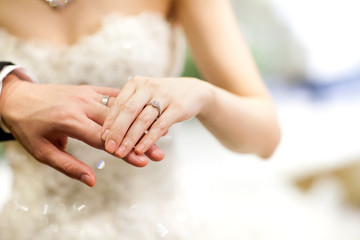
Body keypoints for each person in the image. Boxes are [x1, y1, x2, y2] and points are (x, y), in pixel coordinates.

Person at [0, 0, 280, 239]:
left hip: (155, 226)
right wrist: (7, 94)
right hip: (27, 226)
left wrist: (204, 95)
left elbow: (265, 136)